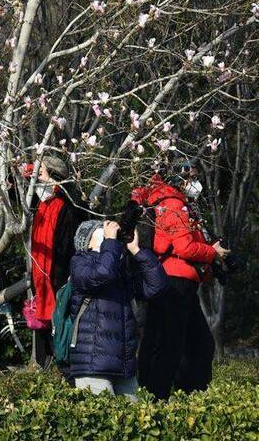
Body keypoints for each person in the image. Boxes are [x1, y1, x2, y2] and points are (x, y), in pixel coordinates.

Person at [133, 159, 229, 400]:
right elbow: (185, 247)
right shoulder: (173, 204)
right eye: (190, 177)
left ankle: (173, 397)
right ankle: (166, 398)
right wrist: (212, 253)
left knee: (189, 344)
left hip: (176, 281)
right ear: (177, 178)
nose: (194, 183)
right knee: (177, 346)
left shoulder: (169, 202)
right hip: (176, 283)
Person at [68, 219, 167, 398]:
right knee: (102, 422)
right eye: (103, 232)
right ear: (87, 241)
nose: (110, 235)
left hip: (123, 365)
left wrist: (136, 250)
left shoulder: (120, 271)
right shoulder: (80, 262)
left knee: (135, 421)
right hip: (92, 364)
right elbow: (102, 272)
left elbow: (156, 286)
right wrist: (111, 242)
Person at [23, 154, 81, 367]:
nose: (37, 177)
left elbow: (67, 246)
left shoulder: (65, 206)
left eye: (42, 172)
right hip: (41, 276)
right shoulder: (41, 202)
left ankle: (61, 367)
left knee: (59, 323)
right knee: (43, 326)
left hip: (57, 277)